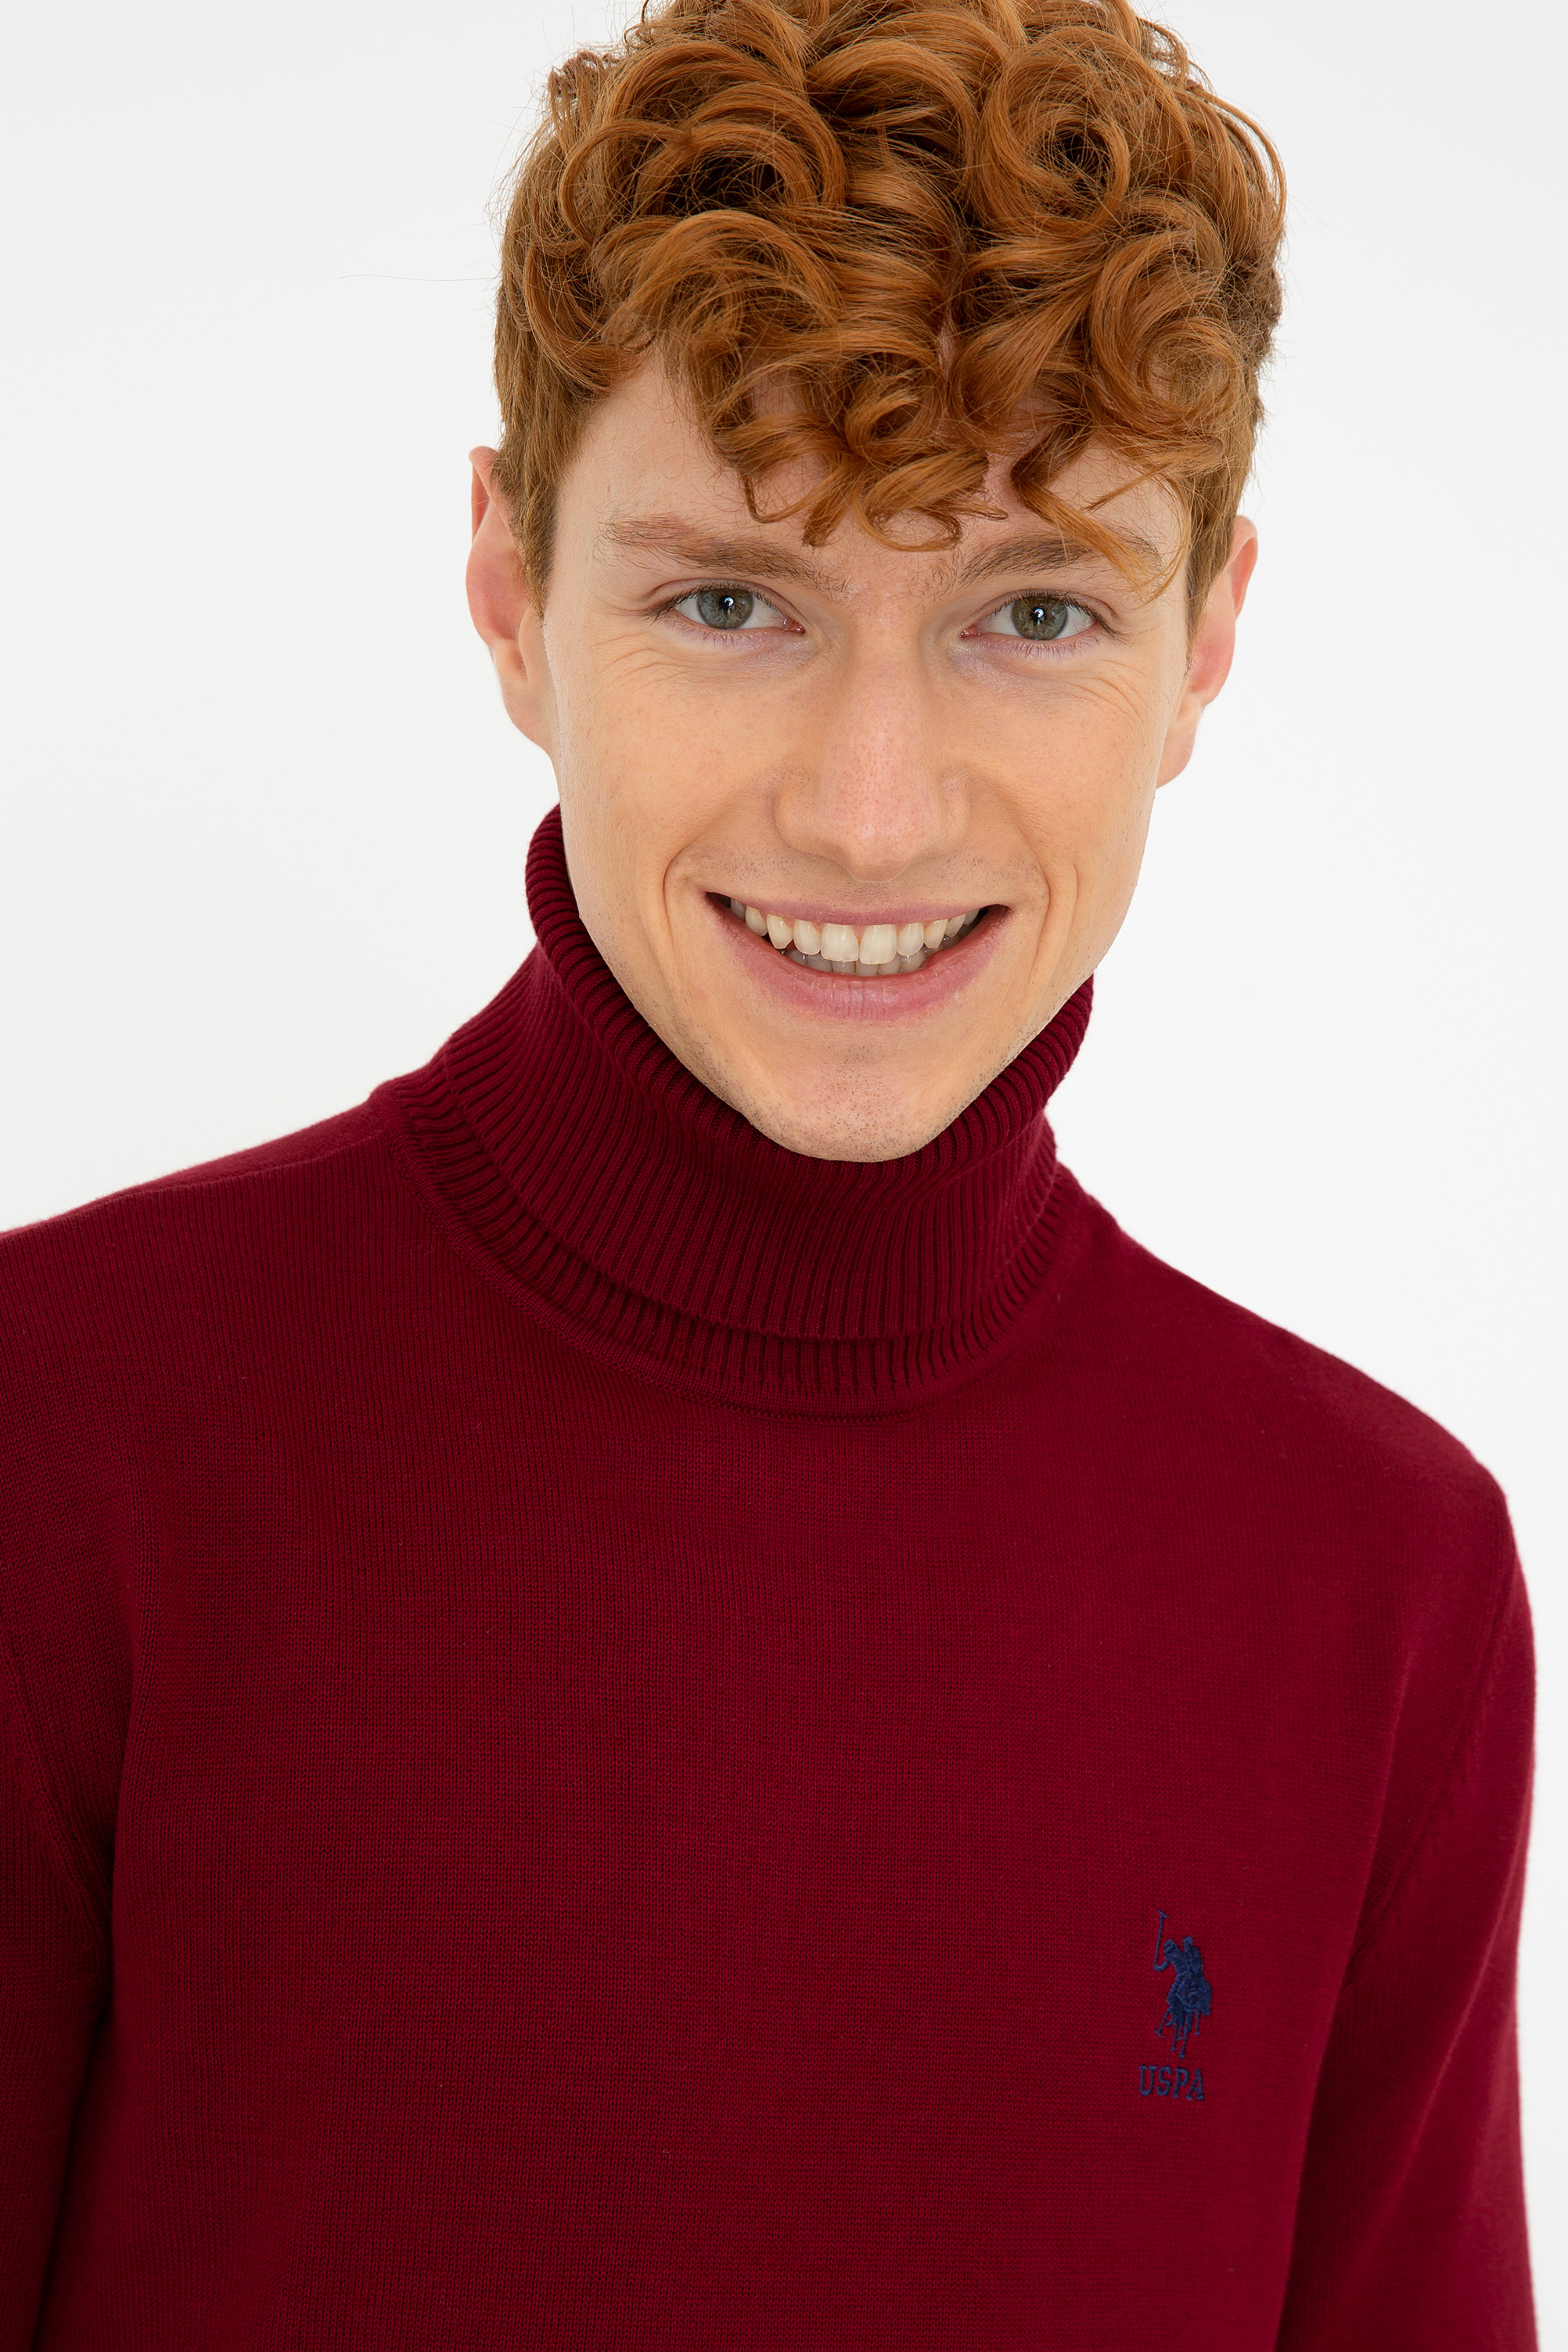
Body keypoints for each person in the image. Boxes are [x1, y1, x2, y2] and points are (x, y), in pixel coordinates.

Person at [0, 0, 1537, 2343]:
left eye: (1033, 611)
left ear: (1208, 639)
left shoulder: (1379, 1580)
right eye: (729, 601)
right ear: (509, 593)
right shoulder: (61, 1441)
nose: (867, 812)